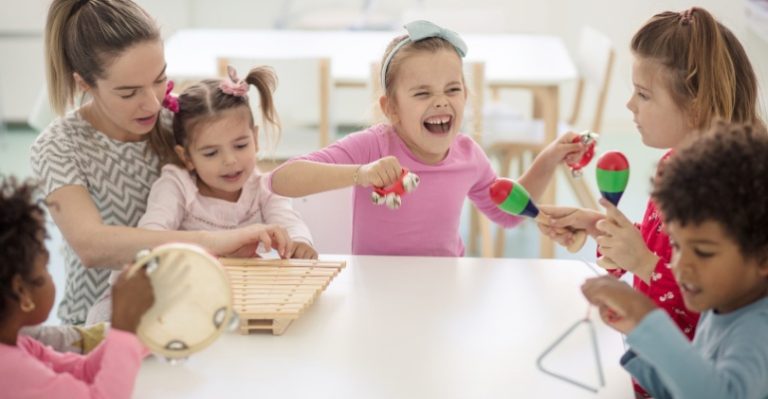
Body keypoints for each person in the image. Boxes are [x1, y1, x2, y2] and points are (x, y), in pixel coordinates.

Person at [538, 8, 762, 395]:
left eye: (643, 94)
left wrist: (640, 263)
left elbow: (705, 308)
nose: (629, 105)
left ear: (695, 104)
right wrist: (602, 228)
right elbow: (669, 245)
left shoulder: (729, 194)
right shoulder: (676, 166)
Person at [32, 0, 289, 326]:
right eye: (129, 93)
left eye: (160, 78)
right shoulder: (57, 147)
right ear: (84, 83)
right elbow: (91, 245)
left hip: (185, 317)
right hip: (98, 329)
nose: (153, 103)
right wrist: (212, 244)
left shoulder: (178, 123)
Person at [269, 20, 586, 256]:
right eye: (422, 93)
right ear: (391, 108)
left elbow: (507, 212)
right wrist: (360, 174)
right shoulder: (374, 145)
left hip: (444, 287)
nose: (440, 101)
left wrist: (550, 157)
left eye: (453, 89)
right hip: (377, 288)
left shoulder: (468, 155)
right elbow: (281, 180)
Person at [581, 122, 768, 399]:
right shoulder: (724, 302)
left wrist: (646, 318)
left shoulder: (756, 331)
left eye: (703, 252)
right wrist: (636, 329)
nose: (681, 265)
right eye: (676, 246)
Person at [137, 66, 316, 259]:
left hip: (251, 286)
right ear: (187, 157)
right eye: (211, 153)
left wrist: (299, 242)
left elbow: (288, 222)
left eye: (240, 146)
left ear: (255, 140)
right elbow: (150, 236)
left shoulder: (264, 187)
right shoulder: (177, 185)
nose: (230, 161)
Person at [0, 177, 155, 399]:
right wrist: (123, 328)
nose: (50, 274)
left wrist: (135, 328)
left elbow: (82, 371)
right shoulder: (11, 370)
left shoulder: (21, 345)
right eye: (46, 267)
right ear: (21, 291)